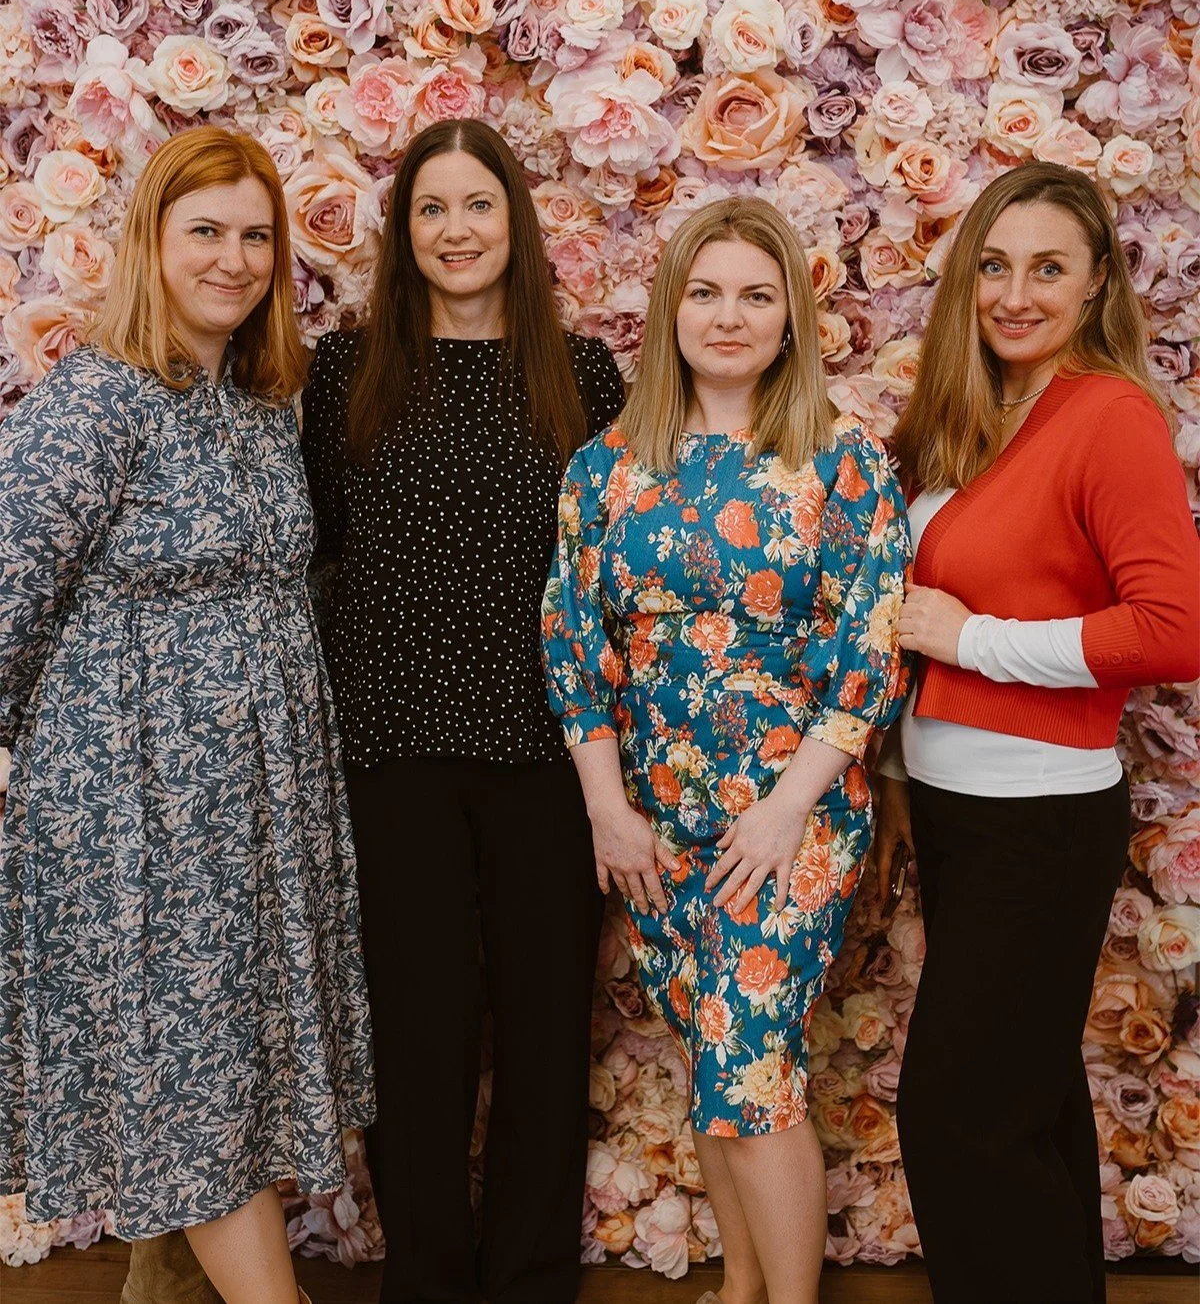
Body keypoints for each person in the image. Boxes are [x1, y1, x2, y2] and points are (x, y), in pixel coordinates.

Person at [0, 127, 375, 1304]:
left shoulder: (264, 405)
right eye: (204, 230)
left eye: (256, 233)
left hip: (254, 802)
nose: (235, 257)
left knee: (226, 1065)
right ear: (151, 242)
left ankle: (167, 1283)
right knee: (194, 1074)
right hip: (136, 800)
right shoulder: (94, 404)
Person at [542, 197, 910, 1304]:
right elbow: (573, 639)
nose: (729, 315)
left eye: (756, 294)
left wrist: (791, 803)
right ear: (670, 311)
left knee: (752, 1071)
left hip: (786, 817)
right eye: (706, 291)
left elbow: (873, 644)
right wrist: (609, 808)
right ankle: (741, 1285)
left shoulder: (842, 464)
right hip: (655, 820)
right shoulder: (609, 466)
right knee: (717, 1064)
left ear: (791, 316)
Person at [299, 118, 625, 1304]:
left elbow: (605, 569)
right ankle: (427, 1273)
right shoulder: (350, 369)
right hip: (392, 754)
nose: (454, 230)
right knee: (420, 1033)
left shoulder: (581, 372)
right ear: (404, 232)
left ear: (515, 222)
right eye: (430, 209)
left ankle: (534, 1272)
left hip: (550, 749)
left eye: (476, 205)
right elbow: (327, 548)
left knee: (544, 1029)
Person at [872, 161, 1200, 1304]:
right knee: (1026, 1104)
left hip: (1041, 815)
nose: (1017, 293)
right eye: (996, 266)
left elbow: (1174, 626)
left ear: (1098, 279)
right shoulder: (974, 411)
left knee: (958, 1114)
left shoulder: (1106, 416)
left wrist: (976, 640)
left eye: (1049, 267)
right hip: (963, 809)